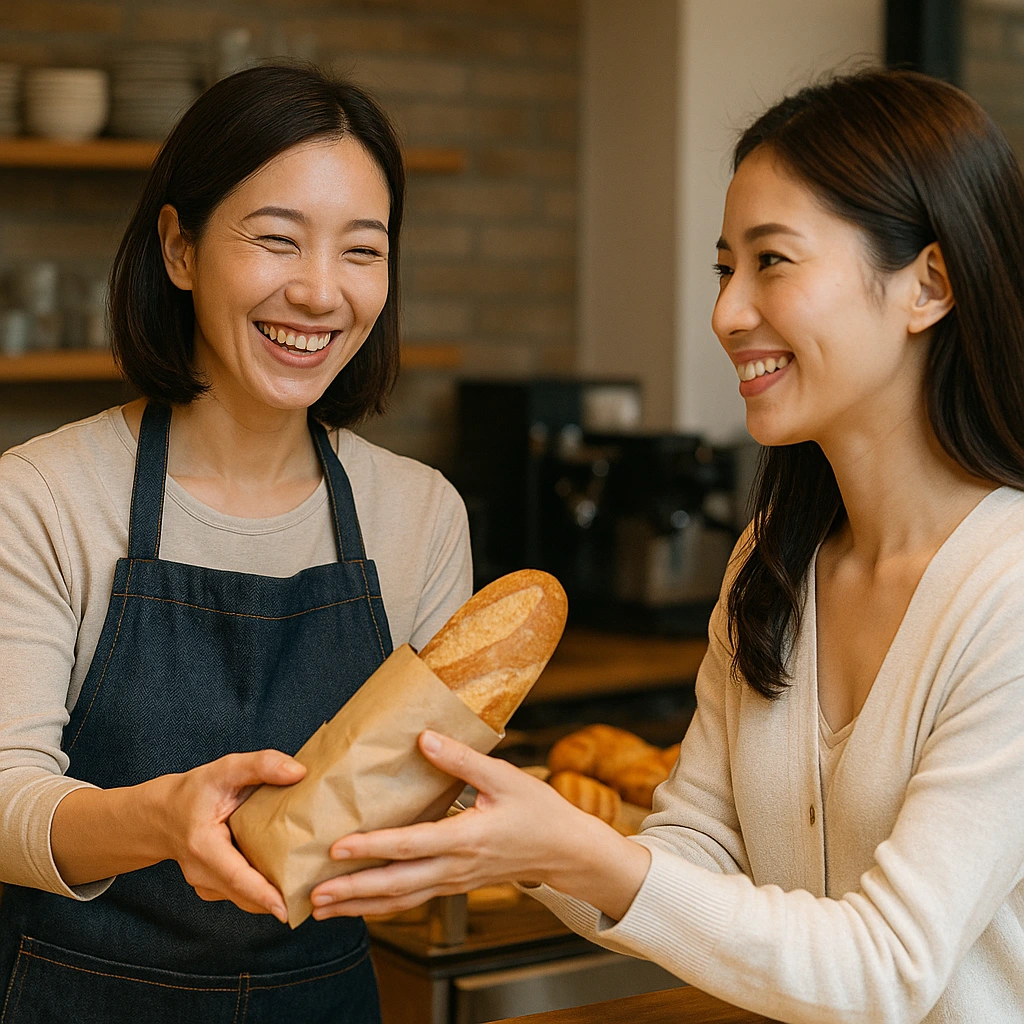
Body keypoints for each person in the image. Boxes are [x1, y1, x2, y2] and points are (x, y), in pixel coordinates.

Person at [307, 69, 1024, 1024]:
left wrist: (577, 852)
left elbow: (888, 969)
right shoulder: (775, 561)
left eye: (773, 261)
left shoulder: (1007, 591)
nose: (728, 312)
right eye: (727, 267)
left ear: (927, 285)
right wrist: (511, 833)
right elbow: (692, 854)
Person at [0, 65, 470, 1022]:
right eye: (277, 240)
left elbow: (433, 788)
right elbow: (4, 803)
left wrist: (448, 830)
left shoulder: (421, 515)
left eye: (362, 250)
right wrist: (158, 821)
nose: (319, 291)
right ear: (179, 247)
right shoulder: (41, 497)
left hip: (326, 1000)